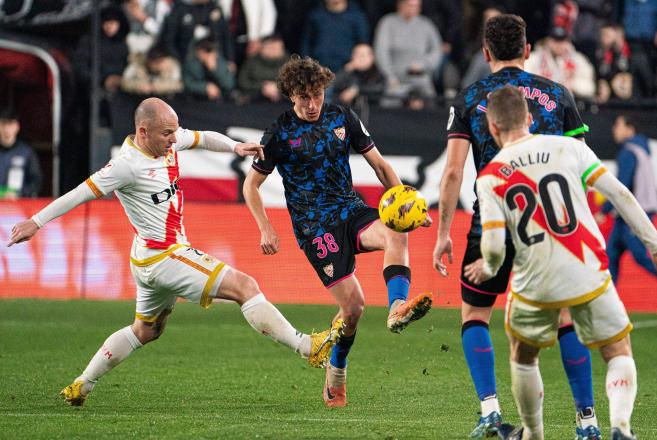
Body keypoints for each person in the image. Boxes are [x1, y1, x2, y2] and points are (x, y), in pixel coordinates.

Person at [7, 98, 343, 406]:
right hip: (164, 256)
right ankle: (307, 347)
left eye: (174, 131)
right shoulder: (125, 166)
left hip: (146, 259)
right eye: (167, 133)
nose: (174, 138)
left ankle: (84, 382)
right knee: (246, 287)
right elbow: (79, 193)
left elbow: (201, 137)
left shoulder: (165, 139)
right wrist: (35, 222)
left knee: (146, 330)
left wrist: (235, 146)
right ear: (143, 131)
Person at [431, 14, 600, 439]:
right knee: (564, 317)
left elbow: (452, 174)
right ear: (527, 50)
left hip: (491, 222)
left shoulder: (470, 98)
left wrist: (442, 235)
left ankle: (489, 410)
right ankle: (588, 422)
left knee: (475, 313)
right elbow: (582, 165)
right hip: (548, 226)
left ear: (485, 52)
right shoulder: (556, 94)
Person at [464, 85, 657, 440]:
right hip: (587, 270)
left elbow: (493, 245)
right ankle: (620, 427)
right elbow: (620, 195)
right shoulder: (571, 147)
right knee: (616, 349)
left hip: (535, 281)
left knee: (523, 355)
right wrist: (655, 245)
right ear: (529, 117)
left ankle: (533, 434)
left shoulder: (491, 175)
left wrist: (489, 267)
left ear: (492, 129)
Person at [243, 55, 432, 408]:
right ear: (290, 96)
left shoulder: (341, 116)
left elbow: (380, 165)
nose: (313, 104)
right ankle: (337, 371)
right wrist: (266, 227)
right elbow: (250, 185)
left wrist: (409, 207)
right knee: (354, 308)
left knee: (396, 231)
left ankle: (396, 307)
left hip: (350, 209)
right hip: (315, 227)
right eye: (304, 98)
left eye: (317, 94)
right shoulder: (279, 133)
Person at [596, 115, 657, 282]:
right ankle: (609, 303)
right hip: (627, 215)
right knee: (611, 256)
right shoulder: (642, 149)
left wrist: (605, 210)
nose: (614, 129)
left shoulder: (629, 151)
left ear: (630, 129)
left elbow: (621, 187)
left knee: (641, 255)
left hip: (635, 214)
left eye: (618, 125)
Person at [373, 0, 442, 108]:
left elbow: (437, 50)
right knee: (389, 102)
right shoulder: (388, 22)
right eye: (411, 5)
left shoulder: (426, 24)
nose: (415, 9)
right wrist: (390, 76)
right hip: (396, 78)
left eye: (417, 6)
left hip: (421, 76)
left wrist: (424, 65)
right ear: (400, 5)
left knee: (431, 100)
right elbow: (381, 52)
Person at [526, 26, 596, 99]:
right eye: (556, 41)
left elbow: (590, 87)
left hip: (570, 105)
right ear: (548, 41)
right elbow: (523, 82)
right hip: (540, 103)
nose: (559, 45)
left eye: (562, 41)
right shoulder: (535, 58)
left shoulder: (577, 59)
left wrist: (572, 85)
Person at [300, 0, 370, 73]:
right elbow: (306, 44)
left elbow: (363, 46)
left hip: (348, 70)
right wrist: (309, 65)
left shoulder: (357, 17)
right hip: (318, 70)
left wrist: (352, 65)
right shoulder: (315, 16)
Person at [0, 108, 42, 199]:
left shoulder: (27, 153)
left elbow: (36, 182)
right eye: (3, 124)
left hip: (20, 203)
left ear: (17, 127)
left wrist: (20, 193)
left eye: (10, 124)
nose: (7, 130)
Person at [237, 34, 288, 103]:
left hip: (283, 102)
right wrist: (262, 87)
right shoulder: (252, 61)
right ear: (262, 48)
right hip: (254, 101)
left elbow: (296, 85)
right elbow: (242, 81)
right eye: (271, 47)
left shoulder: (289, 63)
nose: (274, 51)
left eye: (278, 48)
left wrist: (277, 88)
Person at [183, 37, 235, 101]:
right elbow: (187, 84)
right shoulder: (191, 62)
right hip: (197, 100)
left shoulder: (219, 61)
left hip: (221, 100)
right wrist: (205, 87)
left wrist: (215, 69)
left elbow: (229, 85)